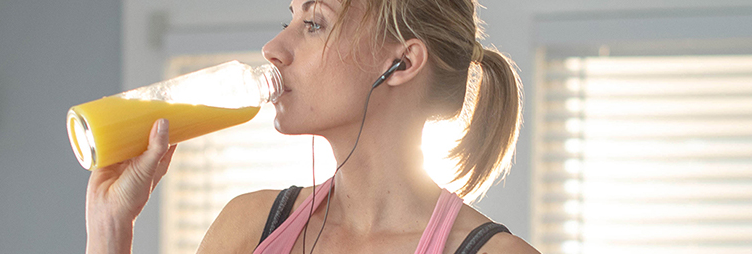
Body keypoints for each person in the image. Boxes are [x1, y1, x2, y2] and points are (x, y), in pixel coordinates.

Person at [86, 0, 539, 253]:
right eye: (290, 19)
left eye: (315, 24)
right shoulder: (249, 227)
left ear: (401, 62)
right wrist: (110, 228)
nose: (272, 47)